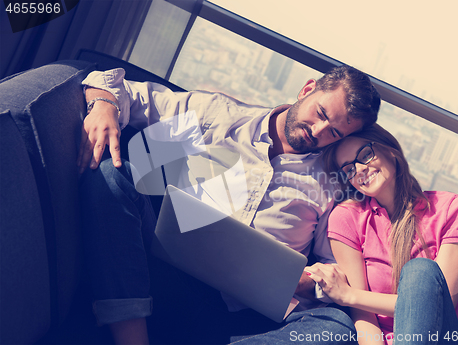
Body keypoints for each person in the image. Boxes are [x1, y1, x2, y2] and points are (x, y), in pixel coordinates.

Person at [78, 65, 381, 344]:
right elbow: (116, 87)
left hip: (244, 318)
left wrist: (304, 282)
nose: (317, 132)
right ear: (306, 90)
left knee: (336, 328)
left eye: (334, 133)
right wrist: (104, 107)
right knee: (111, 175)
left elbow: (333, 272)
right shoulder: (219, 115)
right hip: (166, 276)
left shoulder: (332, 183)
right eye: (321, 114)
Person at [303, 124, 458, 345]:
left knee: (420, 271)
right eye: (349, 169)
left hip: (441, 337)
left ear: (390, 149)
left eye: (365, 155)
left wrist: (348, 295)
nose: (360, 169)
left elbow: (441, 302)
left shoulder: (451, 208)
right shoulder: (346, 218)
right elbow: (363, 316)